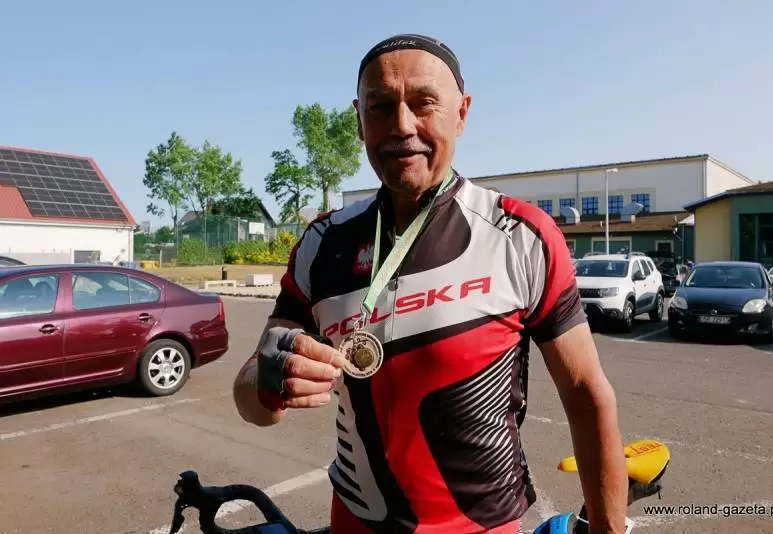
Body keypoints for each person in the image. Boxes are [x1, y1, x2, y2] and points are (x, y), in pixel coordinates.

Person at [234, 34, 628, 534]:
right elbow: (251, 399)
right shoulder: (321, 243)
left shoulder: (519, 236)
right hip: (354, 523)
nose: (402, 125)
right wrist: (266, 382)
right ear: (359, 120)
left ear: (461, 113)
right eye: (381, 107)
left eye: (423, 103)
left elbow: (587, 397)